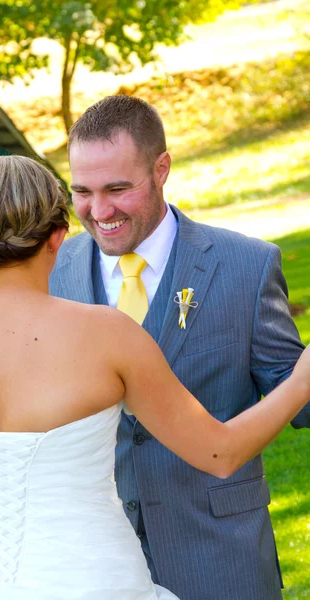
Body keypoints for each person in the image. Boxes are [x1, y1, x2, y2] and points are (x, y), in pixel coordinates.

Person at [0, 156, 309, 600]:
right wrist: (300, 382)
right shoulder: (108, 333)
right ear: (57, 236)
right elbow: (220, 452)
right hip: (92, 581)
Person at [49, 95, 309, 600]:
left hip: (220, 559)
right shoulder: (52, 270)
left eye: (118, 189)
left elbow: (298, 394)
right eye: (82, 191)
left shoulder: (246, 267)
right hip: (92, 564)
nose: (99, 211)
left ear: (161, 168)